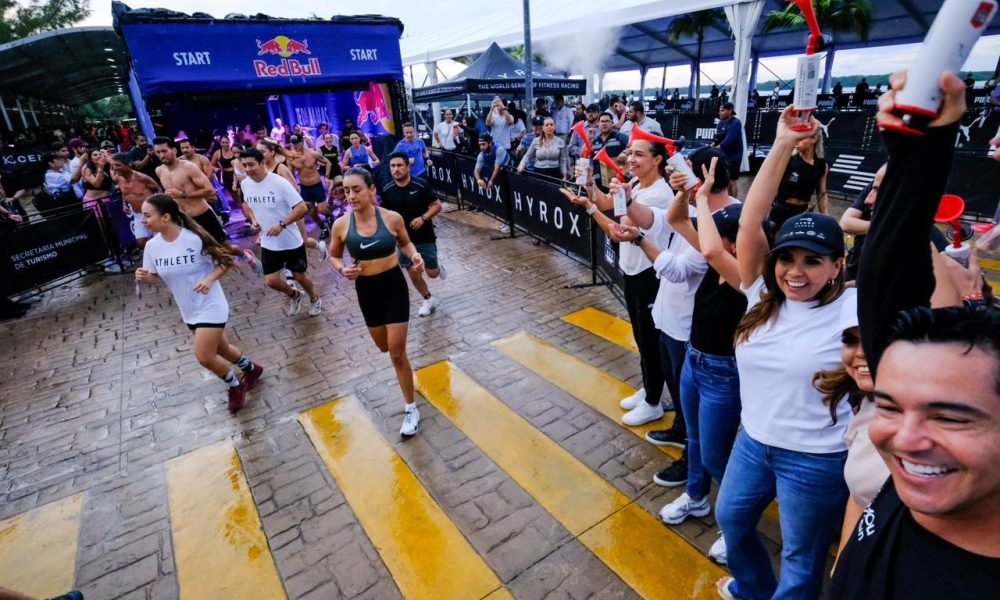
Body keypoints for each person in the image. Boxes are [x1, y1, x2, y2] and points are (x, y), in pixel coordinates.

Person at [714, 105, 855, 600]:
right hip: (753, 442)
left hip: (816, 458)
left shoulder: (855, 309)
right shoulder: (760, 295)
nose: (796, 272)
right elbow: (751, 222)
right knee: (730, 520)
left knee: (801, 561)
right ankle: (752, 589)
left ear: (837, 266)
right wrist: (780, 144)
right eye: (787, 259)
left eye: (812, 262)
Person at [135, 194, 263, 412]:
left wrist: (208, 279)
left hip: (211, 305)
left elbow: (224, 262)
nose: (142, 221)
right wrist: (146, 278)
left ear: (165, 217)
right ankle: (251, 369)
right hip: (188, 309)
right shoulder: (152, 247)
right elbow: (154, 278)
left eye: (147, 215)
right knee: (221, 348)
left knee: (204, 356)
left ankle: (234, 385)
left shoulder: (194, 239)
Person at [327, 167, 426, 437]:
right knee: (383, 346)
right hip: (366, 290)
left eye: (356, 189)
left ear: (371, 190)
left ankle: (410, 409)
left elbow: (406, 244)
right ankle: (407, 389)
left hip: (394, 285)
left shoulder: (392, 219)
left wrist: (415, 257)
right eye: (346, 191)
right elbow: (334, 255)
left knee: (396, 352)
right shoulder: (342, 225)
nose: (351, 196)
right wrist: (341, 269)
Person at [239, 148, 322, 317]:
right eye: (244, 165)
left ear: (262, 163)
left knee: (300, 276)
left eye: (251, 165)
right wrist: (254, 220)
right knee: (271, 281)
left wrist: (282, 224)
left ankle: (315, 298)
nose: (247, 169)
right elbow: (247, 205)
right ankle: (295, 295)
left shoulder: (279, 183)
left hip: (291, 240)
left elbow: (301, 207)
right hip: (269, 242)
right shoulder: (245, 184)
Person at [153, 137, 252, 265]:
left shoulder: (189, 167)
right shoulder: (159, 171)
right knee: (197, 251)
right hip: (183, 219)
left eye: (164, 151)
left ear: (173, 150)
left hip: (202, 215)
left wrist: (182, 194)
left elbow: (209, 191)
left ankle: (245, 255)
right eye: (158, 152)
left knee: (225, 248)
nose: (161, 155)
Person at [381, 152, 445, 317]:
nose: (396, 169)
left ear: (408, 167)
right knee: (413, 272)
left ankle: (437, 265)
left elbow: (437, 205)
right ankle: (428, 299)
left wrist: (423, 218)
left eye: (399, 165)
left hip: (425, 236)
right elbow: (386, 216)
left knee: (432, 273)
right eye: (393, 166)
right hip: (403, 241)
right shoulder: (387, 190)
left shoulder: (421, 185)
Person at [767, 126, 829, 229]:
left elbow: (822, 194)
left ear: (814, 139)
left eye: (801, 138)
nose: (797, 142)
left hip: (802, 212)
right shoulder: (787, 160)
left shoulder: (822, 166)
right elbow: (771, 187)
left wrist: (826, 218)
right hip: (781, 210)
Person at [839, 164, 885, 281]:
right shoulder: (874, 185)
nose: (868, 200)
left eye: (878, 190)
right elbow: (845, 223)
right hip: (855, 267)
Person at [110, 153, 160, 250]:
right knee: (141, 243)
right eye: (113, 166)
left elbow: (158, 190)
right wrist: (125, 204)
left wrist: (159, 209)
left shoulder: (142, 178)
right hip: (137, 214)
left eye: (118, 165)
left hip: (152, 212)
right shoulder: (118, 178)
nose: (115, 168)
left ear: (128, 164)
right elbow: (125, 192)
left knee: (159, 239)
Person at [288, 134, 331, 240]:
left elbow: (328, 162)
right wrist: (293, 186)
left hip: (316, 185)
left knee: (322, 209)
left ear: (302, 142)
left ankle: (329, 216)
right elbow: (290, 174)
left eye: (297, 143)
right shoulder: (291, 158)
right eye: (293, 143)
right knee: (311, 211)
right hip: (305, 188)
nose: (295, 145)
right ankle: (323, 228)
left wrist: (326, 176)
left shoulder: (313, 154)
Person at [589, 113, 630, 190]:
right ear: (598, 124)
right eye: (602, 121)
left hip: (617, 181)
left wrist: (625, 152)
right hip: (599, 182)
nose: (604, 124)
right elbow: (589, 159)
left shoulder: (620, 137)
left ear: (612, 123)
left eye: (607, 121)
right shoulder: (595, 141)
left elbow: (632, 147)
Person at [716, 102, 744, 197]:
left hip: (734, 157)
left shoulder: (736, 123)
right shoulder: (720, 123)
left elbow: (729, 139)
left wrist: (719, 146)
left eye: (723, 110)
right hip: (724, 156)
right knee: (725, 181)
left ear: (730, 110)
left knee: (732, 181)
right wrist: (713, 145)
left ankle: (734, 202)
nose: (720, 113)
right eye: (720, 110)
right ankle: (727, 201)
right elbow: (718, 139)